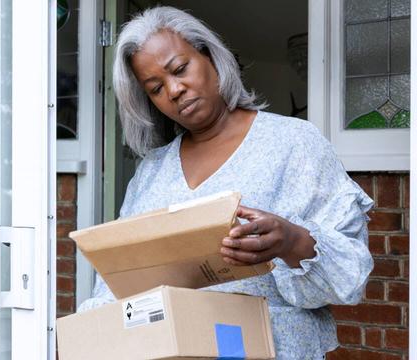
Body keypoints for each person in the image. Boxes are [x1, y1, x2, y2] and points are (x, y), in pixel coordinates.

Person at [77, 6, 373, 360]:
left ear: (210, 57)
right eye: (155, 88)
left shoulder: (294, 144)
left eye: (180, 69)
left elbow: (349, 278)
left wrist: (291, 241)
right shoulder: (152, 172)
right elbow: (118, 283)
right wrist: (88, 337)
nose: (174, 90)